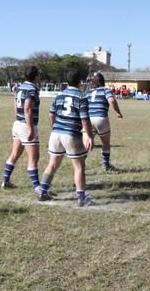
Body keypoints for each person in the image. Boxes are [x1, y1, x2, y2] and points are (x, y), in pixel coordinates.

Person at [38, 70, 94, 206]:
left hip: (56, 133)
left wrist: (55, 127)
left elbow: (51, 114)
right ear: (80, 82)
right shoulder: (81, 97)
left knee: (52, 164)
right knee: (79, 166)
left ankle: (43, 191)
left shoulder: (59, 96)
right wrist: (90, 136)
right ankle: (81, 197)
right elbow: (85, 120)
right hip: (71, 133)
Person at [2, 66, 42, 192]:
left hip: (18, 123)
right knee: (34, 157)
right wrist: (30, 128)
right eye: (39, 74)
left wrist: (19, 119)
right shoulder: (33, 89)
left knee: (15, 154)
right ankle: (37, 187)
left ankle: (5, 181)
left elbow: (15, 105)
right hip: (26, 125)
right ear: (35, 76)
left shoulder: (19, 87)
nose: (40, 76)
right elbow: (28, 109)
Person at [85, 73, 123, 172]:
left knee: (87, 144)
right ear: (103, 81)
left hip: (89, 119)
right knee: (105, 143)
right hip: (101, 118)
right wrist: (118, 112)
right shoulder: (106, 90)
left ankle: (80, 165)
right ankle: (106, 165)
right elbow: (112, 101)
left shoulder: (88, 92)